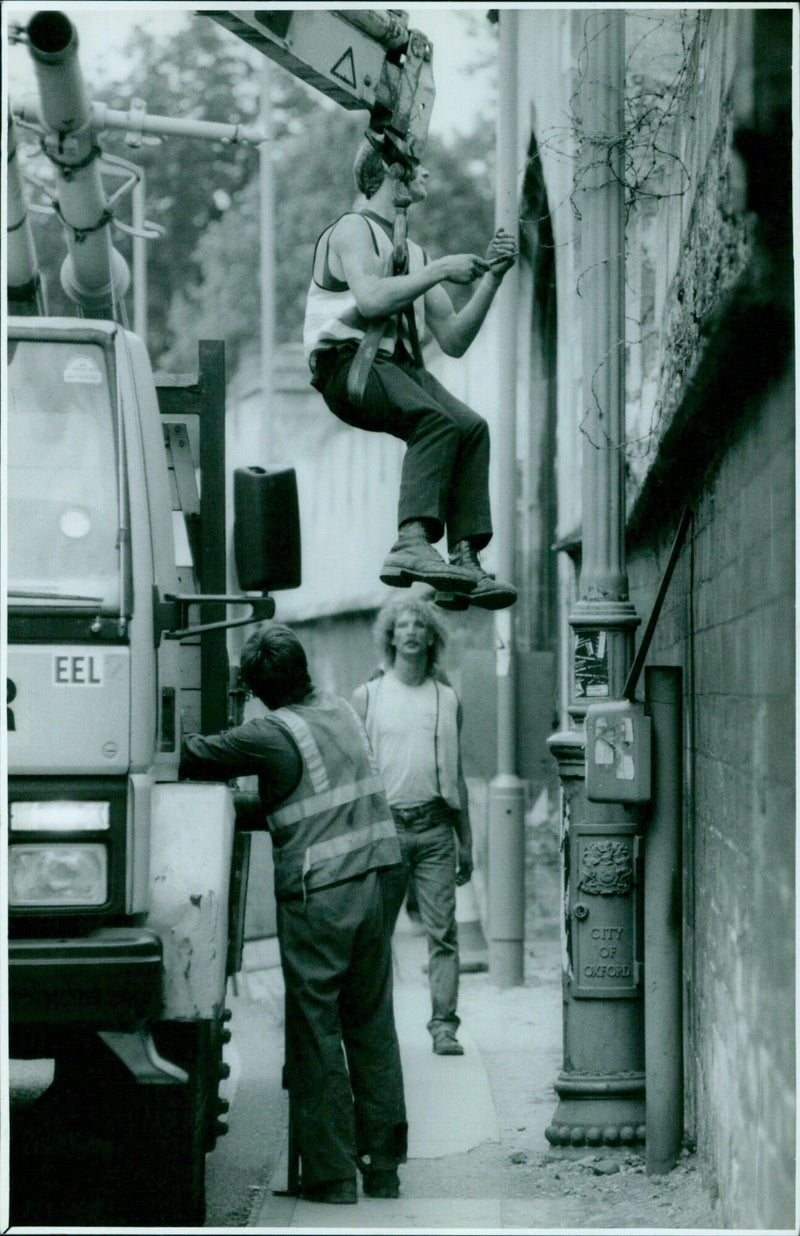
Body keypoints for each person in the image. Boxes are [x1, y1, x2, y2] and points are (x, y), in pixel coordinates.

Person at [179, 623, 407, 1205]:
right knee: (372, 1026)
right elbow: (306, 799)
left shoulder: (270, 732)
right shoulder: (340, 709)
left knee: (316, 1032)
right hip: (379, 879)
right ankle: (384, 1169)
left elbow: (195, 755)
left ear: (259, 689)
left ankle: (330, 1178)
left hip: (322, 896)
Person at [304, 137, 518, 612]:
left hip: (393, 367)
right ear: (390, 173)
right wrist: (442, 268)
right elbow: (373, 301)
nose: (426, 176)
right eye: (416, 168)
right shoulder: (351, 230)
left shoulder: (415, 255)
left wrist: (492, 277)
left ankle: (463, 560)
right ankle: (411, 541)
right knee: (435, 421)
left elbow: (455, 340)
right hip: (347, 365)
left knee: (470, 428)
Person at [352, 593, 473, 1056]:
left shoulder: (446, 698)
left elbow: (456, 771)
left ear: (431, 638)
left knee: (443, 933)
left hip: (436, 829)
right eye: (402, 625)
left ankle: (444, 1027)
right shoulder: (369, 696)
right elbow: (355, 773)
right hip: (385, 830)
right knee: (375, 937)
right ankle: (373, 1027)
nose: (410, 632)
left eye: (419, 625)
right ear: (390, 636)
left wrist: (467, 841)